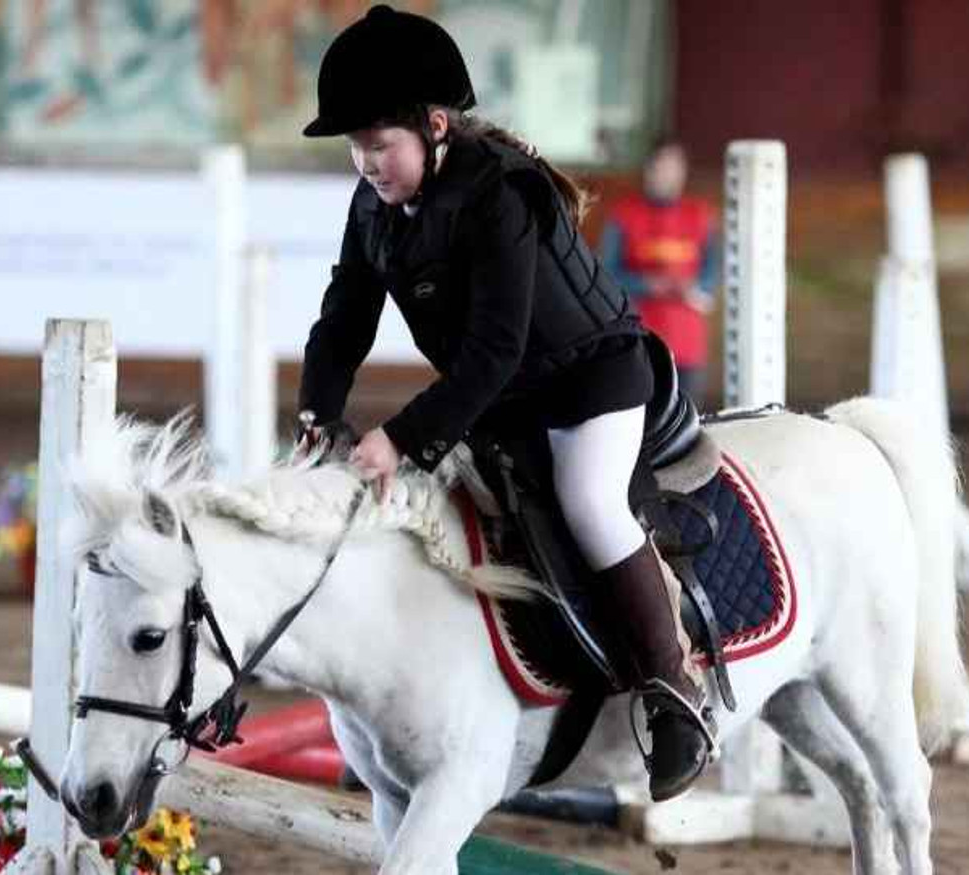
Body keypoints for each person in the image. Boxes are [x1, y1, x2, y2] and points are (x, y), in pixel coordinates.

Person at [292, 5, 709, 800]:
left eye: (380, 144)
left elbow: (494, 350)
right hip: (506, 396)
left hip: (592, 381)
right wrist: (319, 410)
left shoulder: (500, 197)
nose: (366, 163)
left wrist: (401, 437)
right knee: (444, 514)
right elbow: (344, 315)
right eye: (355, 147)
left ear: (436, 125)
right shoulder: (372, 206)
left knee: (589, 502)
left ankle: (673, 691)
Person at [600, 142, 718, 406]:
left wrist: (694, 288)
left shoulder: (700, 215)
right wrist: (646, 284)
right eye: (660, 167)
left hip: (687, 343)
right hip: (640, 341)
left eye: (674, 168)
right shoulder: (624, 214)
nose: (667, 174)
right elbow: (606, 274)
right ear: (648, 170)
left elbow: (711, 276)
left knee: (689, 423)